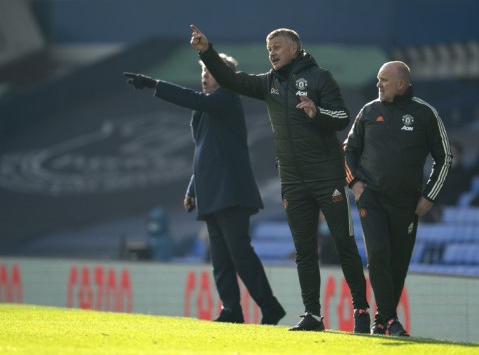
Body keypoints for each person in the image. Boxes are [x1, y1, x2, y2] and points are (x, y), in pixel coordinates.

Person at [188, 25, 370, 333]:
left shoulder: (319, 77)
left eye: (277, 47)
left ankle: (361, 310)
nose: (271, 53)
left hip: (326, 177)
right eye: (268, 48)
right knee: (304, 250)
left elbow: (342, 118)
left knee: (343, 243)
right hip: (293, 181)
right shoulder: (268, 83)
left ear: (295, 49)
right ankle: (313, 314)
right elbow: (231, 79)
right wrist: (208, 51)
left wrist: (317, 112)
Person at [123, 53, 286, 325]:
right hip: (212, 190)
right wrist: (193, 187)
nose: (204, 76)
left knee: (239, 252)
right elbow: (204, 150)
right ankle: (231, 310)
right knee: (220, 257)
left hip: (231, 190)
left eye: (210, 71)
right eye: (203, 71)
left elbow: (194, 100)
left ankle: (269, 308)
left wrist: (155, 85)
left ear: (223, 76)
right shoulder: (207, 106)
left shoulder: (227, 97)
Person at [344, 61, 452, 336]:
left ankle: (381, 321)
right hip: (372, 199)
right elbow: (347, 151)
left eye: (384, 80)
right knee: (378, 253)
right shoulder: (369, 110)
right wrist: (354, 184)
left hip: (407, 203)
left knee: (398, 262)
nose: (378, 84)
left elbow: (445, 157)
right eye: (378, 79)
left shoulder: (425, 114)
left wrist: (429, 196)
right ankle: (390, 319)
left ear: (401, 84)